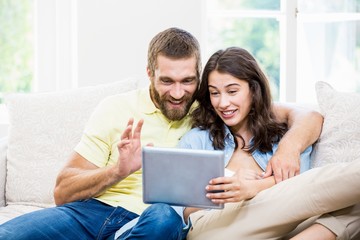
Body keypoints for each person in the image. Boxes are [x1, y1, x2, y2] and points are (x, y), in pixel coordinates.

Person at [0, 28, 323, 240]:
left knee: (162, 216)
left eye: (188, 81)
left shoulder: (213, 105)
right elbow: (62, 193)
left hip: (157, 220)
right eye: (167, 81)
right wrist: (117, 170)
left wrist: (289, 149)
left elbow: (304, 115)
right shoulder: (116, 107)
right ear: (149, 74)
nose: (179, 93)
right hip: (91, 211)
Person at [173, 47, 360, 239]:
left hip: (281, 224)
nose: (223, 103)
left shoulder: (283, 136)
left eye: (232, 91)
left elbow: (299, 189)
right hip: (212, 229)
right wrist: (230, 191)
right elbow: (182, 213)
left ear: (253, 90)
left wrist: (253, 188)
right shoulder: (197, 140)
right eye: (215, 93)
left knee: (354, 207)